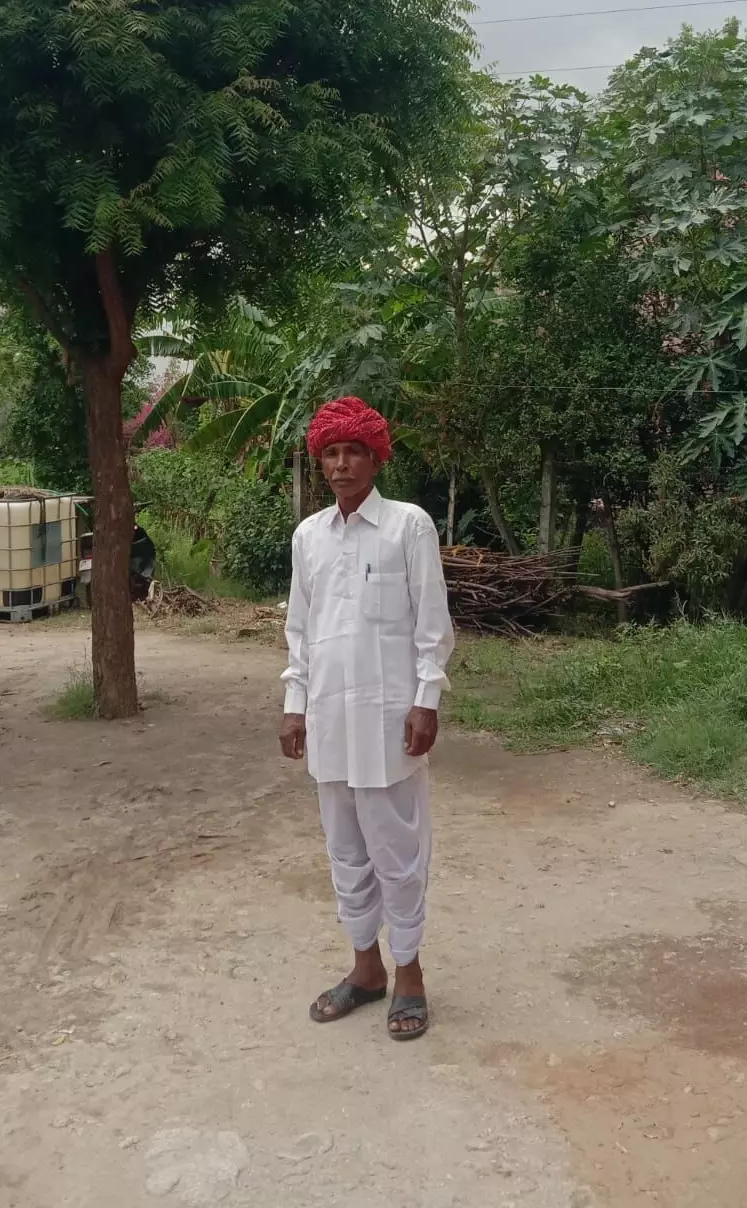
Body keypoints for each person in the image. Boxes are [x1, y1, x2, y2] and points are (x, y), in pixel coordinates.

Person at [279, 396, 454, 1042]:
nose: (341, 464)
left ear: (376, 458)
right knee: (346, 852)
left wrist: (427, 699)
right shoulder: (309, 537)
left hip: (389, 723)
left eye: (354, 451)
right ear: (320, 462)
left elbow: (432, 626)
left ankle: (409, 973)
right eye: (331, 453)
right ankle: (366, 968)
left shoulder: (409, 527)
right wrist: (294, 706)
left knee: (397, 853)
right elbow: (300, 631)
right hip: (329, 719)